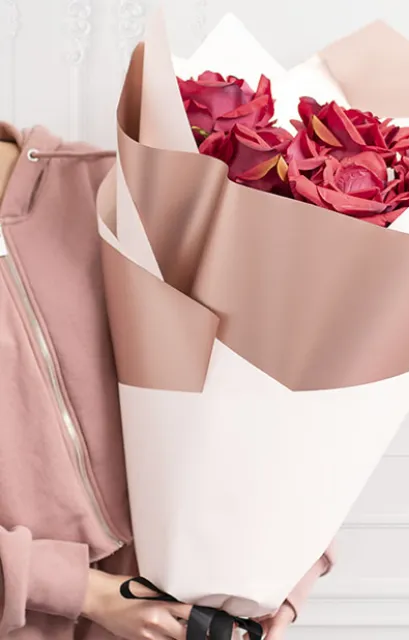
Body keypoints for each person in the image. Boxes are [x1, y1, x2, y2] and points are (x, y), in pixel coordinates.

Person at [0, 122, 332, 640]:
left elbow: (272, 387)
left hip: (197, 607)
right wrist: (84, 591)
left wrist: (284, 577)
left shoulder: (116, 187)